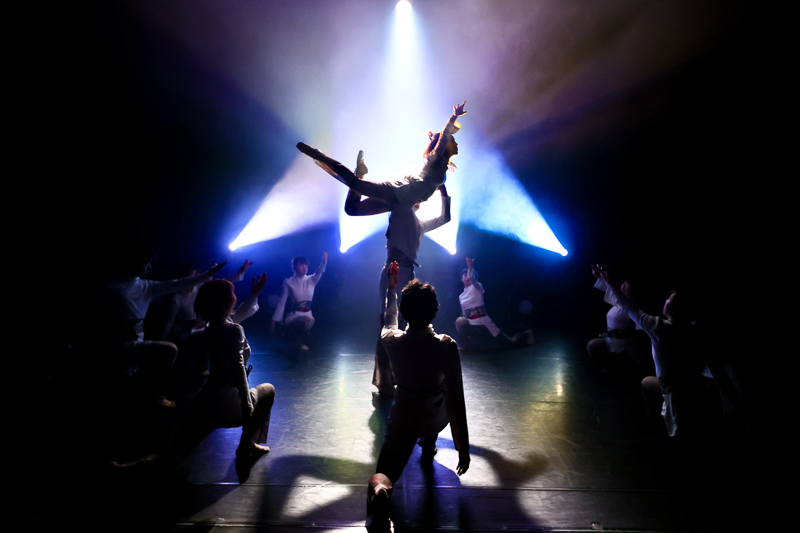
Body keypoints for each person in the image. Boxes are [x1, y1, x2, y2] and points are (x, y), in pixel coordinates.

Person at [113, 275, 275, 471]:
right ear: (226, 301)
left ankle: (127, 467)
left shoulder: (210, 328)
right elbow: (238, 368)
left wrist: (254, 294)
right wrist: (247, 405)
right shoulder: (234, 330)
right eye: (232, 293)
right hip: (231, 403)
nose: (234, 296)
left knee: (170, 456)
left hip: (206, 402)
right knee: (269, 389)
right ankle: (246, 443)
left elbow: (237, 315)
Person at [335, 151, 452, 396]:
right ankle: (384, 380)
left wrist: (442, 189)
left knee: (406, 324)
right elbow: (353, 209)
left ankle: (399, 374)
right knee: (387, 324)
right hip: (393, 270)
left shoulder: (419, 222)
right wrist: (432, 176)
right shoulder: (400, 207)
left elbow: (445, 217)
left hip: (408, 273)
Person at [367, 262, 469, 528]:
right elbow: (456, 398)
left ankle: (381, 489)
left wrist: (392, 290)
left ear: (405, 312)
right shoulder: (446, 346)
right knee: (439, 398)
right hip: (435, 416)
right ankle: (429, 444)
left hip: (404, 417)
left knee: (385, 472)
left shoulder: (391, 340)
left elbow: (390, 320)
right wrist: (462, 447)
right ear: (435, 310)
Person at [592, 264, 719, 439]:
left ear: (676, 308)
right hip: (696, 389)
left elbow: (628, 306)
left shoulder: (660, 328)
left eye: (670, 299)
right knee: (648, 383)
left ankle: (656, 429)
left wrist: (611, 283)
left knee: (680, 435)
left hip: (676, 394)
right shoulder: (694, 330)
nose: (665, 300)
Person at [99, 241, 228, 407]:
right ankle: (156, 394)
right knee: (167, 351)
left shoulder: (146, 287)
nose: (150, 267)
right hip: (115, 345)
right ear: (135, 262)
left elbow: (178, 283)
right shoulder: (109, 287)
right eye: (146, 263)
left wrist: (208, 274)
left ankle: (151, 391)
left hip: (134, 344)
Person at [297, 101, 467, 210]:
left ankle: (360, 173)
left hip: (403, 202)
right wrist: (454, 116)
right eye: (454, 141)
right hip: (402, 192)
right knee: (355, 184)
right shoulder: (435, 158)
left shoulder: (441, 164)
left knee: (352, 209)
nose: (457, 144)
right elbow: (443, 137)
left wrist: (448, 163)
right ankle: (319, 156)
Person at [455, 257, 534, 352]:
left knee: (511, 342)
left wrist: (470, 266)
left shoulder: (477, 287)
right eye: (465, 275)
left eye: (469, 274)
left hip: (484, 325)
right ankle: (465, 346)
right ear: (461, 278)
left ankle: (527, 333)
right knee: (460, 323)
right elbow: (464, 313)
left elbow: (472, 278)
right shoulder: (461, 296)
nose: (467, 277)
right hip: (473, 325)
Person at [587, 269, 650, 374]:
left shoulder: (633, 306)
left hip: (625, 347)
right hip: (610, 341)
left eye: (627, 283)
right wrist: (601, 277)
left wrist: (607, 280)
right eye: (623, 282)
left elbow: (614, 293)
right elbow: (611, 291)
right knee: (592, 345)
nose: (623, 285)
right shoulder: (619, 303)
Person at [271, 253, 328, 350]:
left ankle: (295, 338)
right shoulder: (288, 282)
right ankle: (293, 336)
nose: (305, 267)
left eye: (306, 265)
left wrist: (324, 262)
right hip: (294, 316)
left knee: (309, 320)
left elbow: (318, 272)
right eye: (301, 265)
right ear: (294, 267)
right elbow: (282, 302)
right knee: (307, 321)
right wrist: (274, 320)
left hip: (308, 315)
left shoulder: (311, 280)